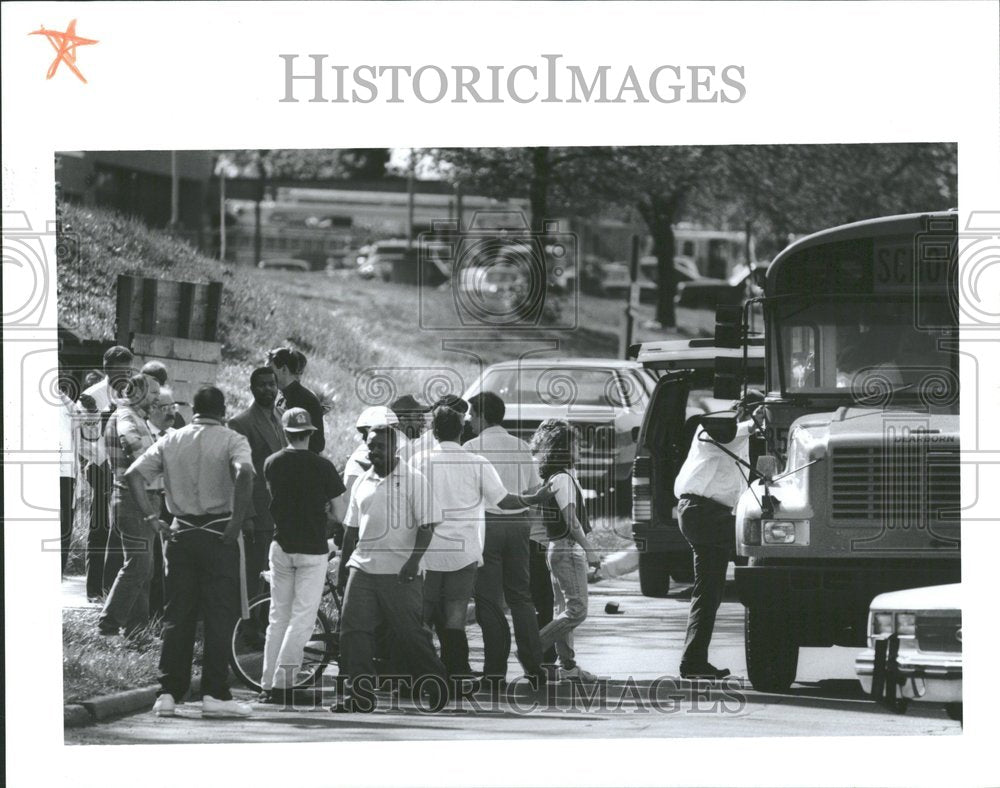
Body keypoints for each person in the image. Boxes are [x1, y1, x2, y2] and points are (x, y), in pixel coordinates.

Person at [125, 385, 254, 718]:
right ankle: (215, 693)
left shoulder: (172, 439)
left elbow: (133, 475)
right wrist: (237, 521)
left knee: (177, 614)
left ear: (192, 409)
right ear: (222, 409)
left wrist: (154, 518)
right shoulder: (232, 439)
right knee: (219, 613)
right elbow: (245, 472)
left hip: (180, 532)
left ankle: (168, 693)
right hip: (218, 532)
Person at [412, 406, 555, 683]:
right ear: (461, 430)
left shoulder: (418, 461)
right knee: (457, 615)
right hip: (465, 552)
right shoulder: (477, 462)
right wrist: (533, 500)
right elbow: (504, 501)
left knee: (423, 615)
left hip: (427, 552)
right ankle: (459, 671)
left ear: (434, 431)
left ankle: (423, 673)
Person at [336, 423, 449, 712]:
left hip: (400, 573)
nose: (374, 451)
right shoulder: (362, 482)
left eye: (380, 446)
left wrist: (413, 561)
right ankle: (359, 697)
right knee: (353, 633)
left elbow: (427, 526)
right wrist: (344, 569)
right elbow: (350, 529)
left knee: (410, 633)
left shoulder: (414, 479)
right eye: (371, 446)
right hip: (362, 569)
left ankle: (437, 683)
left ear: (395, 448)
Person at [673, 390, 763, 680]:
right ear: (739, 408)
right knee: (764, 559)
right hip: (703, 512)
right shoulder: (716, 429)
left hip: (708, 514)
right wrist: (757, 419)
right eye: (751, 411)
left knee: (708, 593)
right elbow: (733, 432)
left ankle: (693, 661)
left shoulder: (739, 438)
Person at [258, 408, 346, 703]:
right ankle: (283, 685)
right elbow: (341, 512)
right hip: (312, 549)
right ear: (311, 432)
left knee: (277, 617)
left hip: (280, 546)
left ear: (285, 432)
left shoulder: (272, 463)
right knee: (302, 620)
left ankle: (267, 684)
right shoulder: (324, 466)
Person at [465, 391, 546, 688]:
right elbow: (534, 490)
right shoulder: (522, 446)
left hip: (488, 524)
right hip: (519, 524)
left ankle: (495, 671)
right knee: (521, 597)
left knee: (489, 600)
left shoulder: (472, 447)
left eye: (472, 415)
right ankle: (534, 665)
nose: (469, 421)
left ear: (482, 416)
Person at [530, 419, 602, 683]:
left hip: (558, 549)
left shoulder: (561, 477)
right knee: (577, 610)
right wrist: (591, 550)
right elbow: (571, 521)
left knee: (564, 608)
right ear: (563, 448)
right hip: (566, 549)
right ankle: (533, 648)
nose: (579, 448)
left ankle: (568, 666)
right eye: (575, 443)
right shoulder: (562, 478)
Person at [98, 373, 161, 636]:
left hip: (139, 499)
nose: (157, 399)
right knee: (138, 564)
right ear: (140, 393)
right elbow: (132, 445)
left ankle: (137, 631)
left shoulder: (138, 417)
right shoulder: (126, 417)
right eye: (154, 394)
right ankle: (109, 622)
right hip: (133, 499)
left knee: (144, 568)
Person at [76, 345, 134, 601]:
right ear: (107, 368)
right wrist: (103, 461)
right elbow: (84, 441)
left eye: (129, 370)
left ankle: (113, 587)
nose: (126, 376)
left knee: (122, 527)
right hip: (101, 466)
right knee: (101, 525)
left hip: (125, 467)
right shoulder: (92, 397)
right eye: (120, 371)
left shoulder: (133, 393)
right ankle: (95, 589)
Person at [227, 367, 287, 593]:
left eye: (271, 384)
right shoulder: (241, 423)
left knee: (279, 571)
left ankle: (269, 622)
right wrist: (247, 515)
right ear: (252, 389)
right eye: (262, 385)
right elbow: (238, 474)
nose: (268, 389)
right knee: (256, 573)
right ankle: (250, 625)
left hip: (284, 511)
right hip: (259, 512)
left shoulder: (283, 417)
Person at [145, 386, 177, 619]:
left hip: (172, 506)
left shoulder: (177, 436)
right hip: (148, 505)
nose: (171, 413)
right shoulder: (143, 434)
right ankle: (147, 616)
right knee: (149, 565)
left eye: (173, 407)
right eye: (165, 408)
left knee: (168, 565)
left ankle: (162, 616)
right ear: (152, 409)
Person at [269, 348, 325, 454]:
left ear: (284, 369)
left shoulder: (307, 400)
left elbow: (317, 444)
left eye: (271, 370)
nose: (268, 374)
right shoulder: (278, 396)